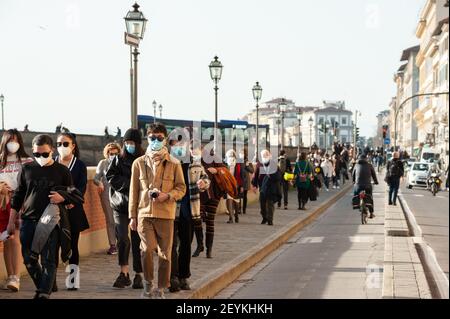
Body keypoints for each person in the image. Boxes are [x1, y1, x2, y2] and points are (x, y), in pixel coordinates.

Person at [8, 134, 73, 299]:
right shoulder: (27, 169)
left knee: (49, 260)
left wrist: (63, 198)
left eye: (44, 154)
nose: (41, 157)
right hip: (29, 221)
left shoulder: (62, 171)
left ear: (51, 150)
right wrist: (11, 221)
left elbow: (73, 195)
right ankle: (47, 284)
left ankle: (43, 293)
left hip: (52, 222)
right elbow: (17, 197)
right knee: (29, 259)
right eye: (37, 154)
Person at [129, 123, 186, 299]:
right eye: (152, 138)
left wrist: (167, 195)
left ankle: (161, 288)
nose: (155, 141)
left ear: (165, 140)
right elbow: (133, 190)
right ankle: (148, 284)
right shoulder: (138, 163)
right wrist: (132, 216)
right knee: (146, 249)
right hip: (144, 214)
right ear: (147, 139)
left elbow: (181, 188)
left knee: (165, 253)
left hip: (165, 214)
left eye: (159, 138)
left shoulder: (174, 163)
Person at [169, 140, 210, 293]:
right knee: (171, 245)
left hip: (189, 210)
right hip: (171, 210)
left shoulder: (195, 164)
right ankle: (172, 276)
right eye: (175, 145)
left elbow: (206, 179)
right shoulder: (168, 163)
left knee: (186, 245)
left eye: (180, 144)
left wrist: (203, 183)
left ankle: (183, 276)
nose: (178, 147)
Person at [106, 128, 144, 289]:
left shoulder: (144, 160)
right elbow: (111, 176)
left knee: (138, 240)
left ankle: (139, 274)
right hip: (120, 205)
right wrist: (129, 186)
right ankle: (124, 272)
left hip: (139, 207)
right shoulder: (118, 160)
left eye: (132, 143)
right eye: (126, 143)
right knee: (122, 238)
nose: (129, 145)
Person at [54, 133, 90, 291]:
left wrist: (68, 201)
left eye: (65, 143)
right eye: (59, 143)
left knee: (73, 246)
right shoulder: (51, 162)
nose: (62, 146)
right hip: (54, 211)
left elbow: (81, 188)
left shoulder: (80, 165)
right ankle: (51, 280)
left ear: (73, 145)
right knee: (53, 246)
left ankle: (73, 280)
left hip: (73, 210)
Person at [0, 129, 33, 292]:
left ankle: (16, 277)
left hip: (19, 202)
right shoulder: (0, 161)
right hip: (1, 203)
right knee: (6, 241)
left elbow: (31, 183)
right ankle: (10, 275)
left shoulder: (26, 161)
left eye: (15, 139)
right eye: (9, 139)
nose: (12, 142)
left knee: (14, 239)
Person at [192, 148, 227, 258]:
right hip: (198, 196)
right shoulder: (191, 160)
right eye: (191, 149)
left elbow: (225, 169)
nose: (193, 151)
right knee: (197, 220)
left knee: (210, 222)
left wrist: (217, 170)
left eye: (195, 149)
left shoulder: (213, 157)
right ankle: (200, 245)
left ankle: (209, 249)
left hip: (213, 194)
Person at [93, 142, 121, 255]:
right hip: (106, 195)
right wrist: (99, 183)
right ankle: (112, 245)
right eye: (110, 153)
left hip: (120, 195)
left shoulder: (122, 163)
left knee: (120, 220)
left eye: (115, 153)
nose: (113, 155)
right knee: (110, 220)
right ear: (107, 153)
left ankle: (122, 242)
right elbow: (95, 178)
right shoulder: (103, 163)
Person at [252, 150, 282, 225]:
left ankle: (270, 220)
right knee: (262, 206)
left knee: (270, 205)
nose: (265, 156)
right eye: (263, 155)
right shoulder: (259, 165)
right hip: (262, 188)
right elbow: (256, 176)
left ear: (269, 155)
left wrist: (271, 175)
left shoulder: (274, 164)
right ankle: (264, 217)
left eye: (266, 155)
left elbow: (278, 176)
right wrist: (254, 185)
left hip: (271, 188)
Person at [352, 154, 379, 218]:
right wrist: (376, 182)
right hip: (367, 185)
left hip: (358, 185)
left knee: (356, 195)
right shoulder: (370, 165)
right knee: (370, 197)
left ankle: (358, 205)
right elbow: (374, 175)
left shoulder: (356, 165)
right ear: (366, 159)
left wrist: (354, 181)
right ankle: (371, 213)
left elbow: (353, 175)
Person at [237, 149, 254, 215]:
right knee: (238, 195)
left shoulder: (248, 161)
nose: (241, 154)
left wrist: (247, 166)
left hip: (246, 180)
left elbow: (252, 171)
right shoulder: (238, 161)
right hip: (239, 179)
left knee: (244, 195)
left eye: (242, 152)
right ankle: (238, 209)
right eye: (240, 152)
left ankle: (244, 209)